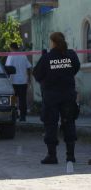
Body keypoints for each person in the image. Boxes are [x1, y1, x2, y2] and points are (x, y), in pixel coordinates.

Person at [33, 32, 80, 164]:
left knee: (50, 125)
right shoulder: (71, 55)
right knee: (69, 123)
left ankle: (52, 155)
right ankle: (70, 156)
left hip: (51, 96)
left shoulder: (47, 57)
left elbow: (37, 74)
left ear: (53, 42)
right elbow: (76, 68)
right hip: (68, 94)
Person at [5, 42, 32, 121]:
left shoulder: (10, 56)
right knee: (22, 99)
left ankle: (14, 114)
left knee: (13, 99)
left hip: (13, 81)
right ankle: (23, 116)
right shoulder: (23, 55)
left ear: (11, 48)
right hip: (23, 81)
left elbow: (7, 67)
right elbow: (29, 67)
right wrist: (29, 78)